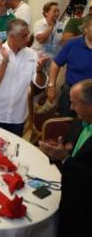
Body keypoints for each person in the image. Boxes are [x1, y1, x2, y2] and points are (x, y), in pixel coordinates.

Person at [39, 80, 92, 237]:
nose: (71, 108)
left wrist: (65, 158)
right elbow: (71, 146)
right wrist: (55, 151)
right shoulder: (81, 121)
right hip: (68, 198)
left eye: (74, 103)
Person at [0, 19, 48, 136]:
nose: (28, 39)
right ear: (12, 37)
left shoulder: (32, 54)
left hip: (17, 117)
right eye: (24, 36)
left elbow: (40, 84)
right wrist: (5, 61)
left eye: (28, 35)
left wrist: (40, 71)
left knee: (12, 151)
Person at [48, 14, 92, 117]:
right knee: (67, 125)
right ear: (85, 28)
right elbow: (56, 63)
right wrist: (51, 85)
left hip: (91, 98)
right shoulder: (72, 44)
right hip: (71, 95)